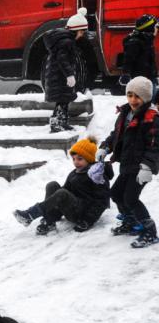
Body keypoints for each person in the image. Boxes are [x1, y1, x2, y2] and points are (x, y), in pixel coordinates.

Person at [100, 76, 159, 248]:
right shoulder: (125, 113)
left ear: (146, 98)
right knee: (116, 194)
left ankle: (150, 231)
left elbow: (155, 146)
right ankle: (131, 221)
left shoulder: (151, 118)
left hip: (141, 167)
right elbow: (116, 135)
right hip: (127, 164)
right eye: (130, 95)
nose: (133, 100)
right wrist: (105, 147)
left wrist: (147, 166)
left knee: (131, 198)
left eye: (137, 96)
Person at [13, 137, 113, 235]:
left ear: (89, 159)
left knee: (62, 193)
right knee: (52, 185)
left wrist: (88, 220)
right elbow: (65, 192)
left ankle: (31, 214)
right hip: (73, 207)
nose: (76, 162)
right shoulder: (74, 173)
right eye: (74, 159)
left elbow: (102, 200)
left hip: (83, 214)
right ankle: (49, 220)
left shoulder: (97, 175)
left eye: (80, 159)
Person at [43, 8, 88, 133]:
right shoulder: (66, 42)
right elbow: (62, 59)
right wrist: (69, 75)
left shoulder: (66, 40)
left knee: (64, 100)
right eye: (82, 31)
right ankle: (56, 123)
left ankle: (62, 122)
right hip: (59, 77)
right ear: (76, 30)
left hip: (59, 76)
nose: (82, 34)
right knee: (62, 101)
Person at [119, 14, 158, 103]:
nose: (156, 29)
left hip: (150, 78)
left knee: (151, 105)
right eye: (155, 27)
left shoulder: (146, 39)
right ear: (149, 28)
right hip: (140, 81)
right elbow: (128, 59)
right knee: (144, 105)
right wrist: (126, 73)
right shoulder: (135, 41)